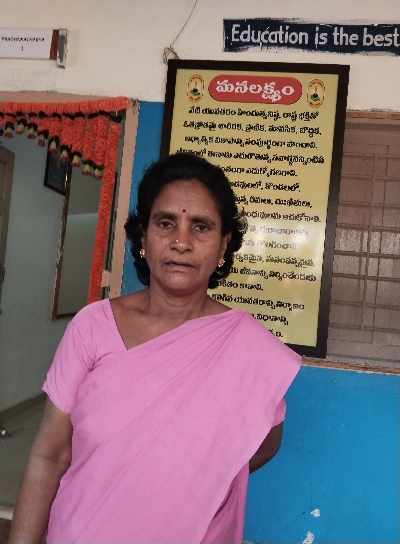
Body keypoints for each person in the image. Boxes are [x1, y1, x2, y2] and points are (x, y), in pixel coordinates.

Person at [9, 152, 300, 544]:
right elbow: (50, 455)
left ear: (223, 246)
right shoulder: (93, 327)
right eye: (166, 223)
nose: (181, 242)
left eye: (200, 227)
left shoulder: (250, 348)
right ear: (143, 237)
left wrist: (190, 480)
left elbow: (263, 445)